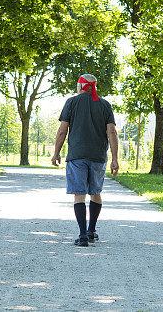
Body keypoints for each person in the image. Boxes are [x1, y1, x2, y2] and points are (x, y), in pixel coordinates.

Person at [51, 74, 119, 247]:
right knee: (95, 192)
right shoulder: (104, 105)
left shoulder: (71, 102)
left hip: (76, 156)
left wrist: (56, 153)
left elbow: (62, 131)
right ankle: (91, 231)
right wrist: (115, 159)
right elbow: (112, 132)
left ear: (81, 86)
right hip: (98, 157)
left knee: (79, 195)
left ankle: (82, 236)